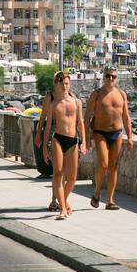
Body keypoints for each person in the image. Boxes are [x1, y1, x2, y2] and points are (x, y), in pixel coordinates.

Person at [85, 67, 133, 210]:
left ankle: (110, 200)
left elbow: (126, 116)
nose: (110, 79)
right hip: (100, 132)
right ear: (103, 77)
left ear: (116, 78)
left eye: (113, 76)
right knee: (104, 164)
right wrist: (87, 137)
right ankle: (97, 192)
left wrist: (130, 136)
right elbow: (87, 116)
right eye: (107, 76)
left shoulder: (121, 94)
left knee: (113, 166)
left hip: (117, 133)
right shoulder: (97, 94)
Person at [42, 70, 85, 219]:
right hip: (58, 139)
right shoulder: (53, 104)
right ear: (56, 85)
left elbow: (81, 123)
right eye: (61, 84)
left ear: (69, 84)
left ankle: (63, 201)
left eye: (67, 84)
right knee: (58, 173)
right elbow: (48, 126)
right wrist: (43, 148)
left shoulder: (76, 102)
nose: (64, 87)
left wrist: (83, 143)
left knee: (72, 177)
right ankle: (63, 210)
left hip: (73, 140)